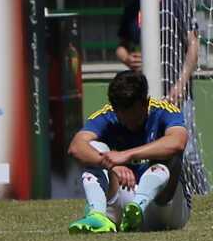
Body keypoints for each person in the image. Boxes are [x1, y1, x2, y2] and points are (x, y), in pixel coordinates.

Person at [68, 68, 192, 232]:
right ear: (115, 109)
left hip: (165, 208)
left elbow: (178, 142)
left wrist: (126, 155)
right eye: (124, 119)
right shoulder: (107, 115)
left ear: (146, 103)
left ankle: (138, 207)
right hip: (125, 198)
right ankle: (97, 215)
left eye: (136, 118)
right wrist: (109, 164)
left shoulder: (164, 111)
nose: (130, 124)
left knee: (168, 158)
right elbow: (76, 147)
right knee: (94, 148)